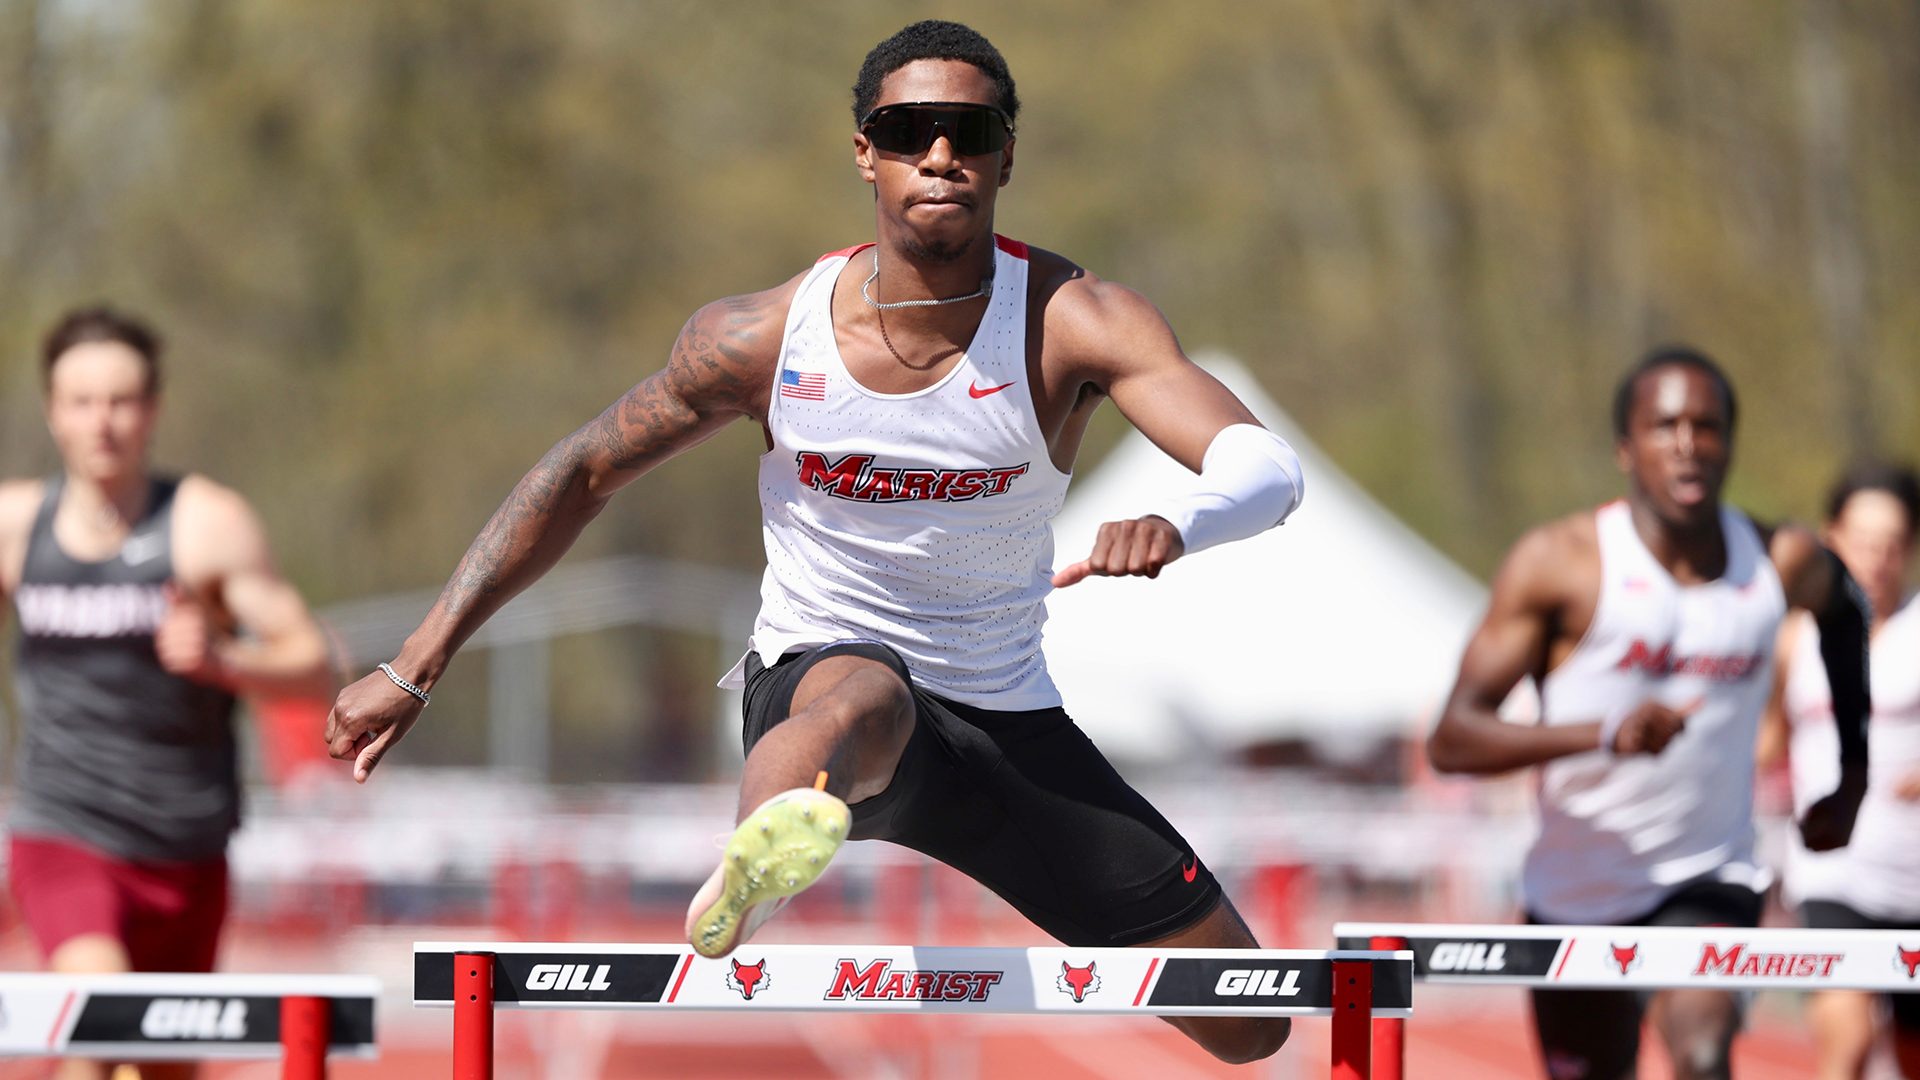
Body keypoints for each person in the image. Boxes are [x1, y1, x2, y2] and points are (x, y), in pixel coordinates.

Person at [325, 20, 1303, 1064]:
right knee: (868, 693)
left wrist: (1181, 522)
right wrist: (417, 662)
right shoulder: (759, 338)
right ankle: (760, 859)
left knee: (1248, 1018)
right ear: (866, 153)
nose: (940, 155)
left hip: (1006, 714)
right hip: (820, 681)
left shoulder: (1072, 321)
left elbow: (1265, 467)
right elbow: (581, 473)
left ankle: (790, 832)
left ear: (1006, 156)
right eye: (910, 130)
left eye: (969, 132)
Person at [1425, 346, 1872, 1080]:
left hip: (1708, 876)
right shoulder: (1561, 563)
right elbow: (1452, 739)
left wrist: (1853, 775)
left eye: (1707, 425)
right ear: (1625, 448)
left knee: (1702, 1054)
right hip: (1576, 891)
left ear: (1730, 442)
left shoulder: (1778, 560)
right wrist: (1605, 734)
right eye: (1665, 427)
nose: (1688, 444)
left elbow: (1847, 611)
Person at [0, 308, 333, 1080]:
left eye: (120, 401)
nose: (101, 423)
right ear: (53, 411)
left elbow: (315, 667)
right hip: (66, 830)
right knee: (100, 1026)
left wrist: (225, 661)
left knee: (164, 1067)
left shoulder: (207, 525)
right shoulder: (16, 526)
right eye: (82, 402)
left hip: (188, 848)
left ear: (152, 410)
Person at [1757, 462, 1920, 1080]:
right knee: (1846, 1040)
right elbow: (1766, 742)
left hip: (1913, 877)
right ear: (1830, 538)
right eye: (1864, 542)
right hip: (1832, 874)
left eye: (1893, 544)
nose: (1877, 559)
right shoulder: (1792, 638)